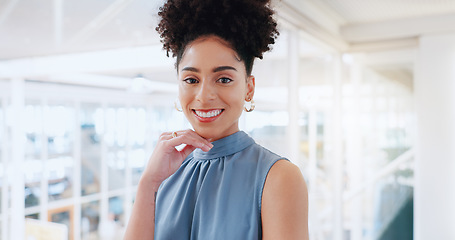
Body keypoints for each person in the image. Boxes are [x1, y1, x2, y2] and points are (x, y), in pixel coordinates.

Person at [124, 0, 309, 239]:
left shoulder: (278, 178)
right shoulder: (166, 175)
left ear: (249, 88)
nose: (204, 97)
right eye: (191, 80)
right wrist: (148, 183)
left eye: (223, 79)